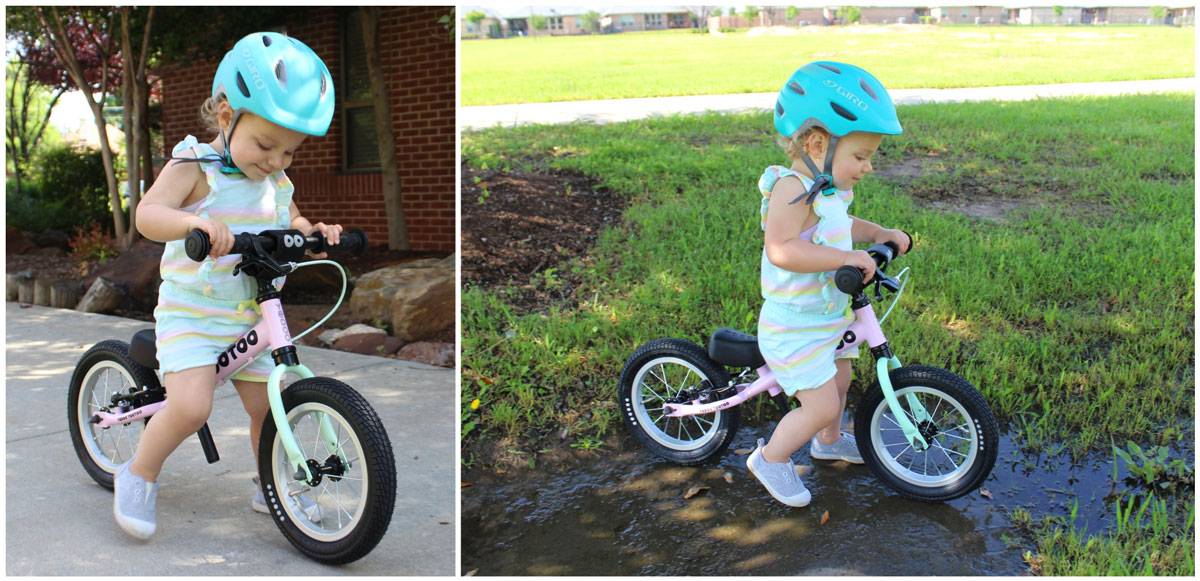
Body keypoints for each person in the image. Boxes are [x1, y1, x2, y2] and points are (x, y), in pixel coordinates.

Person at [114, 31, 344, 538]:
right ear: (225, 115)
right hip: (193, 313)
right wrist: (193, 225)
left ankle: (271, 486)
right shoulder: (196, 166)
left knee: (269, 405)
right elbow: (148, 215)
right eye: (266, 144)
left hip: (250, 312)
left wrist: (313, 235)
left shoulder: (275, 181)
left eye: (290, 151)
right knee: (192, 407)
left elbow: (293, 220)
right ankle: (138, 472)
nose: (276, 160)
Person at [746, 61, 913, 507]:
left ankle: (828, 441)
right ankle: (772, 458)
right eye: (860, 156)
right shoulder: (790, 188)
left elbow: (842, 223)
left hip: (828, 317)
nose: (869, 167)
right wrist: (843, 258)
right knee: (818, 402)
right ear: (819, 143)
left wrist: (878, 235)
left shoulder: (830, 190)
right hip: (794, 323)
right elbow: (781, 248)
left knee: (840, 383)